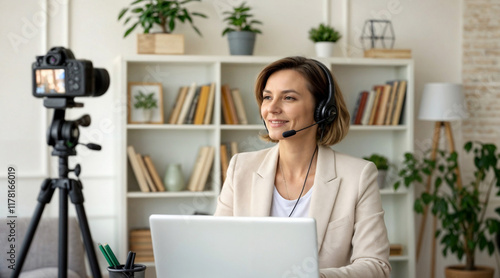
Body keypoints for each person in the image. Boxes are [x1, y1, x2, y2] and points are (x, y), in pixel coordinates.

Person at [214, 56, 391, 278]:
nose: (272, 108)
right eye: (267, 97)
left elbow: (376, 266)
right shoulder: (241, 168)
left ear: (322, 110)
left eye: (288, 98)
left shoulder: (358, 175)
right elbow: (218, 249)